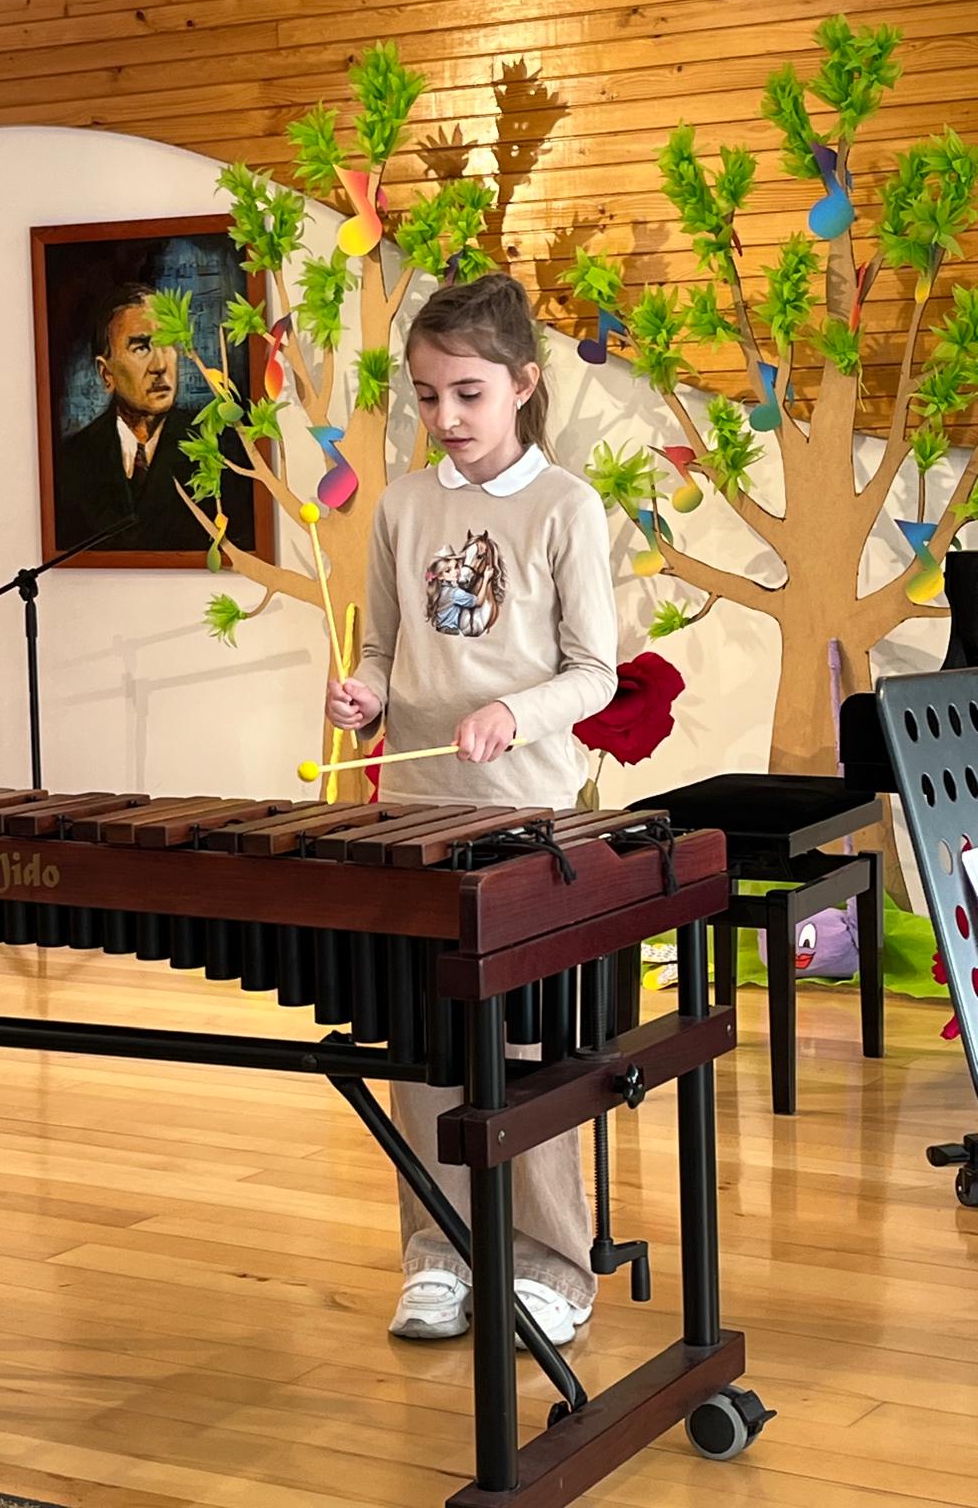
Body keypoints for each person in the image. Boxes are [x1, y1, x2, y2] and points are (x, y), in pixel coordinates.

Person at [326, 272, 618, 1347]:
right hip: (414, 811)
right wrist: (362, 698)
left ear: (523, 385)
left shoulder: (565, 507)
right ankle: (437, 1252)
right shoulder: (403, 507)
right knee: (422, 1048)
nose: (444, 417)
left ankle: (553, 1265)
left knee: (529, 1049)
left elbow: (595, 673)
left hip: (526, 815)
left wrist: (513, 712)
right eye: (427, 396)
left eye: (468, 394)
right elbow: (379, 649)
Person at [53, 281, 198, 553]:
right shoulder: (70, 465)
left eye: (168, 342)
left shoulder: (221, 451)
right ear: (106, 374)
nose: (160, 365)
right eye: (141, 348)